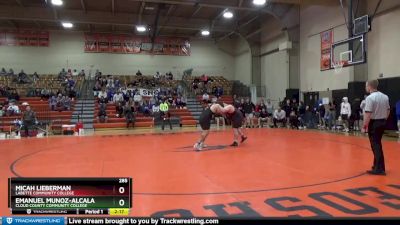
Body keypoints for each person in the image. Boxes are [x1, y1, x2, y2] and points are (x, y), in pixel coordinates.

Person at [362, 80, 390, 176]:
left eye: (366, 86)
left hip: (374, 123)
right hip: (382, 121)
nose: (366, 88)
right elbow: (388, 110)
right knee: (377, 144)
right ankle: (377, 165)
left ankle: (379, 169)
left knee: (375, 145)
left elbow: (368, 113)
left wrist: (365, 125)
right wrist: (384, 119)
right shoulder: (385, 96)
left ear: (369, 86)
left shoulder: (370, 98)